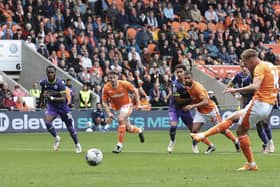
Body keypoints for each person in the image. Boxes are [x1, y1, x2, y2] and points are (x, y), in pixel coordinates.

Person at [191, 49, 278, 171]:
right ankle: (202, 135)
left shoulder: (259, 67)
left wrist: (236, 90)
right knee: (233, 117)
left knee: (241, 131)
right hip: (268, 104)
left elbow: (255, 86)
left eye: (245, 63)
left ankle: (251, 164)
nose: (245, 66)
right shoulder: (270, 65)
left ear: (251, 60)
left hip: (259, 103)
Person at [184, 70, 240, 154]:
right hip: (200, 111)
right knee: (194, 131)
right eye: (185, 78)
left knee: (222, 129)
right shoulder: (186, 87)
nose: (187, 80)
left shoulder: (198, 87)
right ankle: (210, 146)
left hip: (211, 110)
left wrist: (192, 106)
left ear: (192, 78)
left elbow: (205, 102)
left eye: (188, 78)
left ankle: (235, 141)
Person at [228, 63, 275, 153]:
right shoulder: (242, 78)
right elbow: (232, 87)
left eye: (245, 66)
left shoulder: (260, 75)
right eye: (242, 67)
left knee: (264, 123)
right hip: (249, 102)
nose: (244, 69)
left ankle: (270, 142)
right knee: (248, 125)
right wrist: (237, 96)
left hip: (262, 101)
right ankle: (252, 145)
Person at [39, 65, 82, 153]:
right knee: (47, 122)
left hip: (63, 107)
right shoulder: (44, 82)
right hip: (52, 107)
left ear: (55, 73)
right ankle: (57, 137)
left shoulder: (60, 83)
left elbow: (63, 98)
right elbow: (43, 92)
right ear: (46, 73)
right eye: (49, 72)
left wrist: (51, 98)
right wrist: (42, 102)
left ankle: (77, 144)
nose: (50, 74)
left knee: (70, 127)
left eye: (52, 72)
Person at [102, 70, 144, 153]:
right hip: (116, 109)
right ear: (108, 79)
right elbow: (104, 102)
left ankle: (119, 146)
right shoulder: (106, 88)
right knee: (129, 129)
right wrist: (109, 113)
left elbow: (135, 90)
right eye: (110, 78)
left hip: (127, 105)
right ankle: (140, 130)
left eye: (114, 77)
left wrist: (138, 103)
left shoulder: (124, 84)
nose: (112, 79)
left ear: (117, 77)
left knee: (121, 119)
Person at [167, 64, 194, 153]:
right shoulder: (175, 85)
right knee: (173, 126)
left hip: (185, 109)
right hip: (174, 108)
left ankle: (194, 145)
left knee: (193, 129)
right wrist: (191, 100)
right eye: (177, 72)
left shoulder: (190, 83)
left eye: (180, 72)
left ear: (185, 72)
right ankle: (172, 141)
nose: (178, 74)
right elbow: (177, 100)